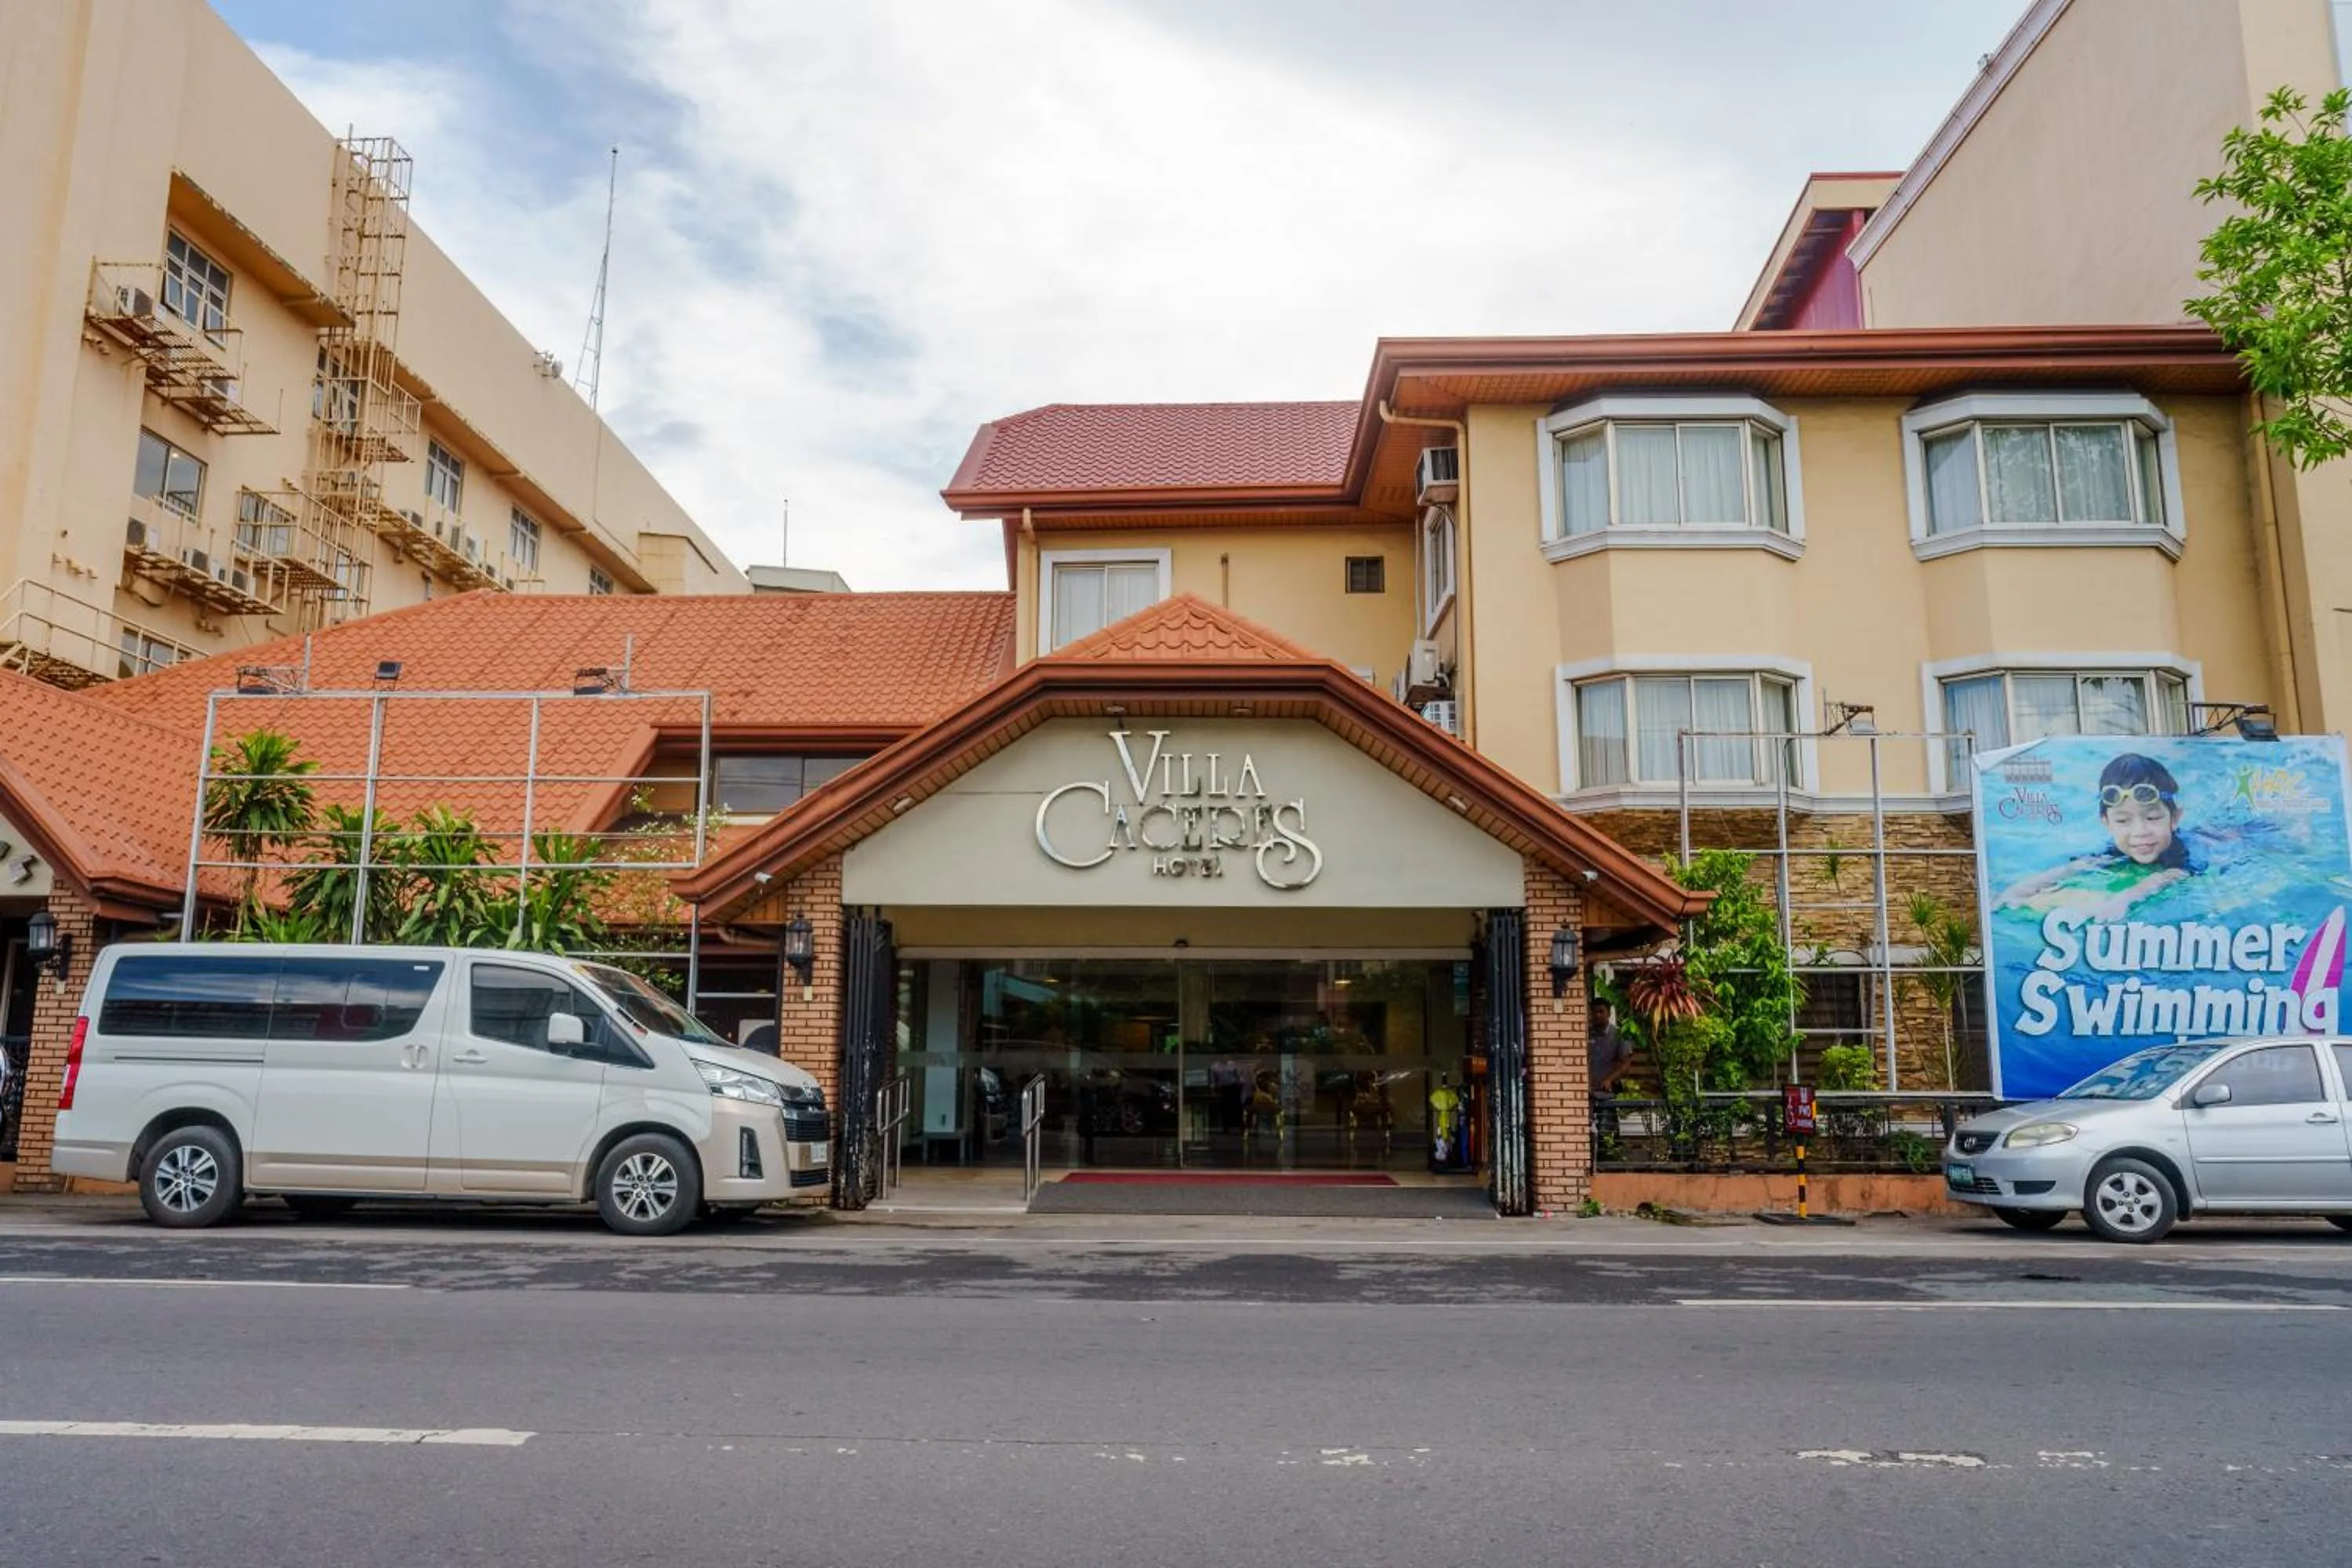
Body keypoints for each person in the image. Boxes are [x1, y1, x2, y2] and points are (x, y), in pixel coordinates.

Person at [1995, 753, 2201, 920]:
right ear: (2106, 822)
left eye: (2152, 817)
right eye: (2123, 821)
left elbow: (2168, 877)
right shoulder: (2114, 852)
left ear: (2175, 818)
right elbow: (2075, 868)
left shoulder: (2182, 854)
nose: (2140, 831)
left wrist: (2125, 899)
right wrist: (2019, 891)